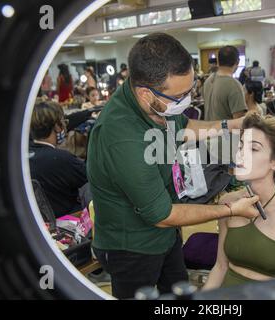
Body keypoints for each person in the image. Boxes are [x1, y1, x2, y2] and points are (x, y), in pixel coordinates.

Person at [87, 33, 261, 299]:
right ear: (145, 93)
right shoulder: (121, 136)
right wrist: (228, 209)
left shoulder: (157, 105)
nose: (186, 101)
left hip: (167, 236)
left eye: (189, 92)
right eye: (179, 96)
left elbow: (184, 127)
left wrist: (230, 124)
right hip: (133, 246)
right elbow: (162, 215)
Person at [203, 113, 275, 289]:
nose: (240, 155)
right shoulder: (228, 202)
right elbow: (220, 267)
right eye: (241, 146)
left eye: (253, 149)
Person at [29, 100, 88, 218]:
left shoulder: (23, 155)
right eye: (63, 122)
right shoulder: (63, 159)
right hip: (68, 221)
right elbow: (91, 176)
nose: (65, 127)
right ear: (57, 126)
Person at [203, 46, 247, 164]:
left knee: (217, 179)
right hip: (227, 145)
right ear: (237, 62)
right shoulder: (233, 85)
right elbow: (239, 121)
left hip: (209, 140)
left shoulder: (208, 81)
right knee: (232, 181)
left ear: (218, 61)